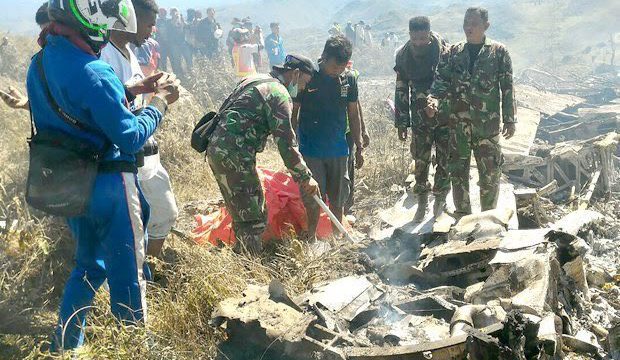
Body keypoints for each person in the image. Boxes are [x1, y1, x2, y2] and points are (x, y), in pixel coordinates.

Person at [28, 0, 180, 351]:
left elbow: (74, 104)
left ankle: (65, 347)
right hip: (110, 185)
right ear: (90, 24)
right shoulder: (96, 71)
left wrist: (129, 91)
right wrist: (158, 103)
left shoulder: (40, 62)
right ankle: (138, 348)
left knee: (88, 266)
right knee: (129, 273)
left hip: (71, 185)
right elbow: (128, 136)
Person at [206, 54, 320, 254]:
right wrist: (305, 177)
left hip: (219, 150)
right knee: (252, 218)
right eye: (304, 83)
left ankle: (243, 257)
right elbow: (286, 144)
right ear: (295, 74)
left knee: (244, 212)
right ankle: (250, 268)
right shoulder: (279, 94)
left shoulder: (255, 79)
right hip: (235, 155)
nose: (303, 89)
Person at [101, 0, 179, 259]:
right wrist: (160, 100)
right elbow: (114, 112)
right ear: (129, 19)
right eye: (149, 24)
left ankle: (149, 271)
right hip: (125, 157)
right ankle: (145, 275)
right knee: (151, 219)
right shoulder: (105, 56)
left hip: (145, 154)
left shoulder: (128, 54)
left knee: (163, 214)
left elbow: (131, 98)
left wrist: (154, 91)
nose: (152, 31)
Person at [427, 7, 517, 218]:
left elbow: (507, 87)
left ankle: (489, 218)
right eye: (466, 22)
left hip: (487, 126)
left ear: (486, 26)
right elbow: (439, 83)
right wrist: (433, 101)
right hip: (458, 126)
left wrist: (510, 119)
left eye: (474, 23)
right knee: (458, 172)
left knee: (490, 174)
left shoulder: (499, 52)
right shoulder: (452, 52)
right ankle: (463, 215)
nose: (469, 27)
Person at [293, 35, 364, 239]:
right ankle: (312, 237)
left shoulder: (349, 79)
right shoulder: (308, 77)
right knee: (313, 198)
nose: (337, 71)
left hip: (339, 149)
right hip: (311, 150)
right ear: (323, 57)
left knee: (338, 198)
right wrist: (292, 146)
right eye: (334, 66)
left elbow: (353, 113)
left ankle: (336, 239)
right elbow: (294, 112)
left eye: (341, 68)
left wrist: (358, 145)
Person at [394, 16, 452, 221]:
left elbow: (452, 81)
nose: (419, 43)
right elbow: (401, 88)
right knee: (420, 159)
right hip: (419, 117)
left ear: (429, 33)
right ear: (410, 35)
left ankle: (440, 198)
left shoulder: (444, 50)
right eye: (415, 38)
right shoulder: (403, 56)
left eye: (423, 39)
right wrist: (402, 121)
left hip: (444, 114)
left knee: (445, 158)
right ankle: (421, 200)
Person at [344, 61, 370, 215]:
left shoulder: (350, 78)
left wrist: (363, 131)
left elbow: (356, 108)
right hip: (332, 133)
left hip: (348, 132)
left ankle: (348, 208)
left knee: (348, 169)